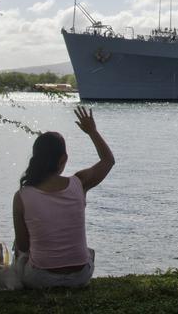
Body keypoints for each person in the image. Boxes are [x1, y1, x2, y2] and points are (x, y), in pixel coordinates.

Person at [12, 106, 115, 288]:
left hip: (39, 279)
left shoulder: (22, 196)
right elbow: (108, 161)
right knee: (87, 252)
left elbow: (23, 246)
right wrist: (92, 132)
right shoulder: (79, 183)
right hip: (80, 277)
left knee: (17, 246)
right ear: (63, 160)